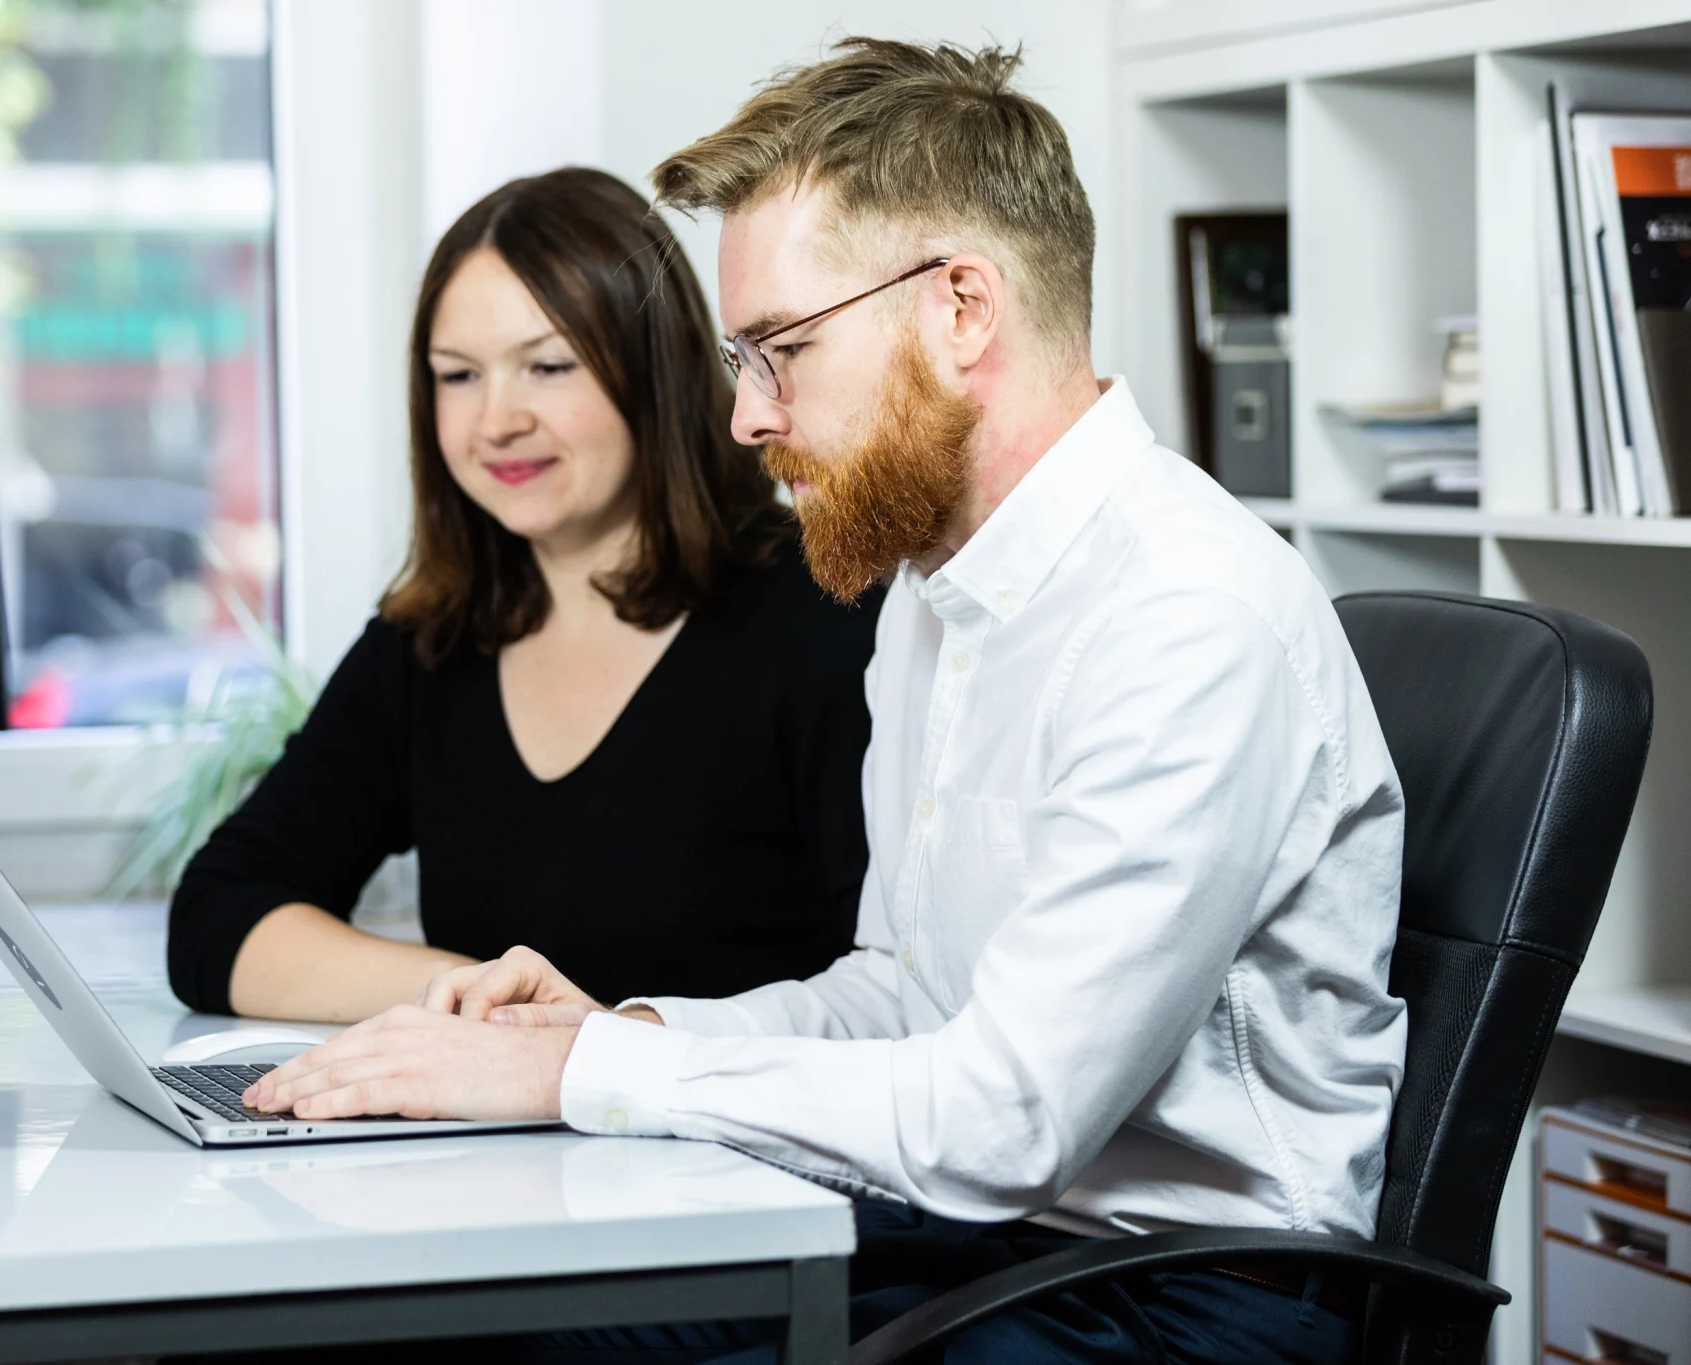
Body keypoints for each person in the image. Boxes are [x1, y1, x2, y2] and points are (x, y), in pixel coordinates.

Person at [243, 39, 1407, 1364]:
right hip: (988, 1239)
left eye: (782, 350)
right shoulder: (933, 591)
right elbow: (895, 993)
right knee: (458, 1319)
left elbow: (1007, 1118)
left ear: (962, 308)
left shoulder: (1185, 618)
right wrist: (612, 1033)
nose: (746, 417)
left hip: (1185, 1297)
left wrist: (576, 1075)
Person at [167, 167, 880, 1023]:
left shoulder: (823, 614)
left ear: (656, 373)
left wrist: (587, 1044)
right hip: (497, 1156)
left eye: (545, 366)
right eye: (457, 376)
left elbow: (887, 993)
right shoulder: (432, 639)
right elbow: (218, 914)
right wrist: (493, 1003)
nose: (496, 419)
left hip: (732, 1150)